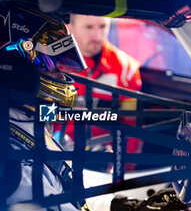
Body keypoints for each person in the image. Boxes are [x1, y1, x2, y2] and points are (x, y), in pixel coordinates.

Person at [0, 1, 191, 211]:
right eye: (53, 65)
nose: (62, 77)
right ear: (17, 67)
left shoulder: (17, 126)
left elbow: (86, 192)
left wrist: (172, 196)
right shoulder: (0, 156)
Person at [54, 14, 143, 171]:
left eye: (102, 27)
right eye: (88, 27)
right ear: (69, 27)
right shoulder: (51, 63)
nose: (97, 36)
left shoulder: (126, 70)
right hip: (57, 158)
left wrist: (120, 166)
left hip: (105, 166)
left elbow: (132, 126)